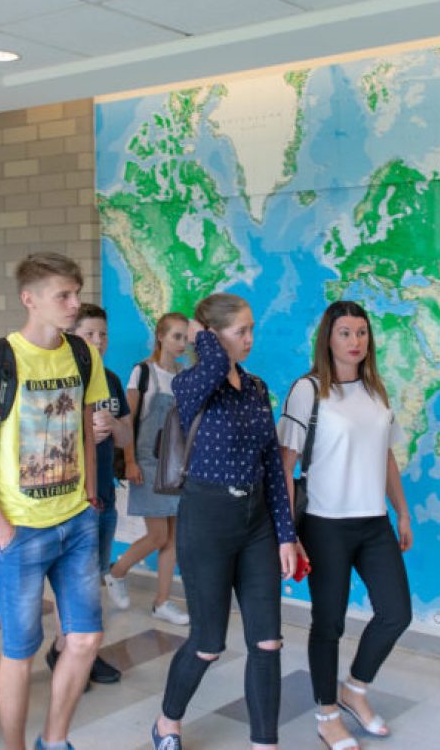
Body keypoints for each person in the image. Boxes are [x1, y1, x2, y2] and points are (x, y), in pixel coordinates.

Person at [0, 252, 109, 750]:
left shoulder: (84, 355)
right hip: (19, 530)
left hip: (76, 522)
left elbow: (87, 427)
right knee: (20, 651)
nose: (74, 304)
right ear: (30, 299)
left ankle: (54, 740)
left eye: (76, 294)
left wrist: (89, 496)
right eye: (62, 295)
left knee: (85, 640)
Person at [152, 293, 297, 750]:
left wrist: (286, 535)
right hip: (208, 522)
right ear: (211, 336)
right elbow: (214, 364)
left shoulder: (256, 388)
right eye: (241, 330)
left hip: (256, 523)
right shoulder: (193, 383)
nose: (251, 339)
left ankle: (264, 743)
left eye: (252, 328)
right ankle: (166, 723)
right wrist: (201, 334)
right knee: (207, 643)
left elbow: (272, 462)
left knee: (268, 642)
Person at [278, 300, 412, 750]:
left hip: (373, 522)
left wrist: (403, 511)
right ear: (328, 339)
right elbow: (286, 464)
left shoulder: (376, 390)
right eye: (345, 333)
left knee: (396, 612)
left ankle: (354, 690)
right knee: (328, 623)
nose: (355, 342)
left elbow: (386, 456)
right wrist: (288, 533)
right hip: (324, 524)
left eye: (361, 333)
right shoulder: (308, 390)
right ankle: (326, 713)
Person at [42, 303, 133, 685]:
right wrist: (81, 436)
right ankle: (71, 649)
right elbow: (43, 443)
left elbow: (128, 437)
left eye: (103, 334)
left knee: (93, 577)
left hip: (105, 498)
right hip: (69, 501)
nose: (98, 342)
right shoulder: (58, 378)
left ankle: (72, 649)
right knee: (73, 581)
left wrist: (113, 426)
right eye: (89, 334)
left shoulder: (110, 380)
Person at [104, 312, 190, 626]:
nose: (182, 343)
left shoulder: (184, 375)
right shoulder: (142, 372)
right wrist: (129, 461)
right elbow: (128, 420)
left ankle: (162, 602)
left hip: (175, 465)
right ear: (161, 337)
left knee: (173, 539)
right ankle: (115, 572)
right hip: (147, 463)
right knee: (157, 536)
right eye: (176, 336)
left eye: (185, 337)